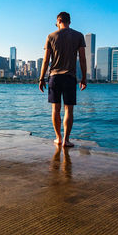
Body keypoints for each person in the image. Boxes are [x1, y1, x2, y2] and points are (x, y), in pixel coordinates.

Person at [39, 12, 87, 147]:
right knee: (68, 110)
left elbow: (45, 61)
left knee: (55, 109)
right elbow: (82, 59)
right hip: (70, 77)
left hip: (54, 77)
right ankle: (66, 140)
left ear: (59, 20)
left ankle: (58, 138)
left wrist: (41, 78)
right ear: (69, 22)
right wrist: (84, 77)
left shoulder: (51, 36)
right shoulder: (78, 36)